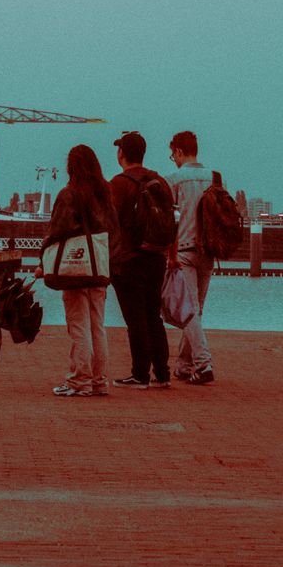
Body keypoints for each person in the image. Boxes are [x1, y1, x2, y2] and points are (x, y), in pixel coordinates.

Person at [36, 144, 119, 397]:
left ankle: (79, 380)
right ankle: (99, 381)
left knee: (79, 326)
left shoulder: (69, 194)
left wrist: (43, 261)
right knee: (97, 326)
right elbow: (113, 232)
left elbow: (57, 231)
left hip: (75, 269)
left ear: (71, 167)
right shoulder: (105, 194)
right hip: (99, 268)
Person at [109, 131, 174, 390]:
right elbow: (170, 220)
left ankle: (140, 374)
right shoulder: (160, 182)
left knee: (135, 319)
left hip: (129, 258)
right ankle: (162, 373)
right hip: (156, 257)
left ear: (122, 153)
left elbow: (109, 222)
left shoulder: (119, 183)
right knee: (153, 316)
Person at [166, 130, 215, 384]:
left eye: (172, 154)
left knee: (189, 310)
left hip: (184, 251)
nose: (173, 159)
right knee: (196, 310)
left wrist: (169, 254)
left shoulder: (173, 180)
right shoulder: (215, 178)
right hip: (209, 250)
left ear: (178, 151)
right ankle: (184, 365)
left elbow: (169, 222)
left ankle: (203, 364)